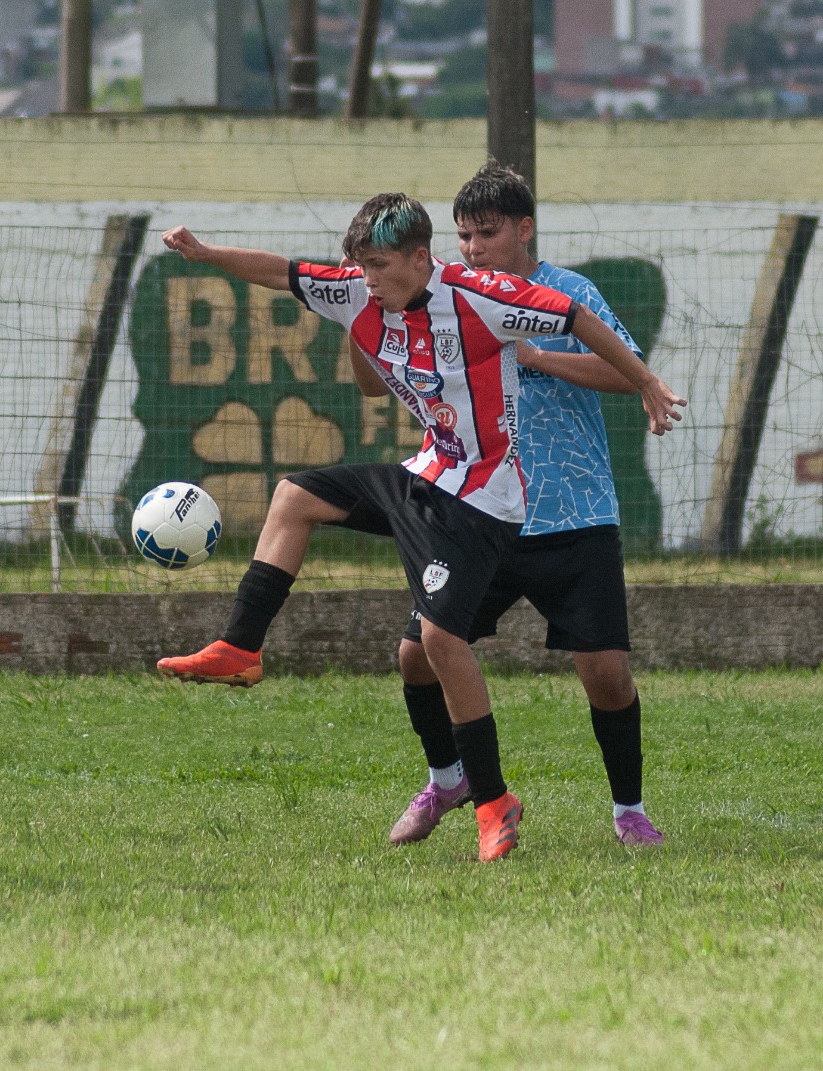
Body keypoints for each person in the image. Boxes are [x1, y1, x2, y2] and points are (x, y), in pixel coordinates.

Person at [154, 193, 685, 862]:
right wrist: (205, 254)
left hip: (486, 497)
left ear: (416, 258)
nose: (366, 279)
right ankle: (241, 647)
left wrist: (646, 383)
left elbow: (573, 315)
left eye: (378, 265)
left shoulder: (478, 295)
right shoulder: (359, 291)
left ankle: (494, 800)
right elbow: (279, 270)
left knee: (440, 637)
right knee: (295, 495)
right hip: (428, 476)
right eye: (360, 267)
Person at [384, 163, 664, 849]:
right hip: (479, 514)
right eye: (464, 236)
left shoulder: (568, 294)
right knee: (415, 656)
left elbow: (626, 370)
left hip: (574, 514)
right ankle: (447, 778)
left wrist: (536, 357)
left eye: (487, 233)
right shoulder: (450, 297)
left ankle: (629, 809)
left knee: (607, 673)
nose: (474, 248)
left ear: (524, 228)